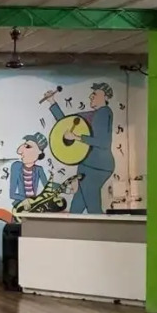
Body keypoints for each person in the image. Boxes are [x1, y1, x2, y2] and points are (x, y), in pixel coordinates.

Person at [44, 82, 115, 214]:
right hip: (86, 166)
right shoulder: (91, 115)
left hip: (97, 166)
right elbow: (65, 123)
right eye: (92, 94)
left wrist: (76, 137)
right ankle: (71, 226)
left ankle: (100, 227)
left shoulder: (104, 112)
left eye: (95, 94)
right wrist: (52, 102)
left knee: (93, 208)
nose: (91, 96)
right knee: (76, 208)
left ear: (106, 97)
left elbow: (103, 142)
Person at [9, 132, 49, 208]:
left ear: (39, 151)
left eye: (28, 146)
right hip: (19, 206)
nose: (19, 151)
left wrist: (66, 187)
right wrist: (25, 199)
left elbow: (48, 187)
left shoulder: (39, 169)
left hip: (34, 206)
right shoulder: (16, 166)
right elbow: (12, 194)